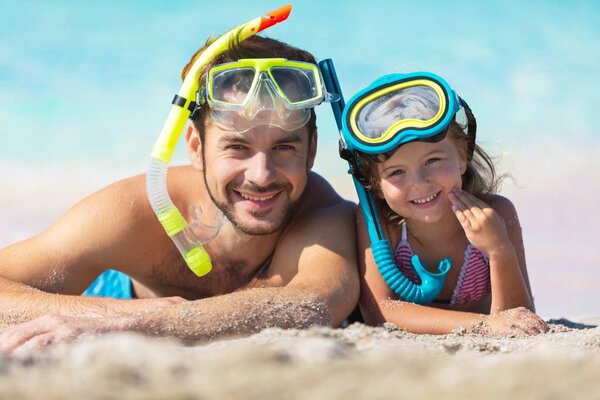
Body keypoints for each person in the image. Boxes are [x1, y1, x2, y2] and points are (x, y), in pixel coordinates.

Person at [0, 35, 359, 352]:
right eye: (237, 147)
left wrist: (138, 325)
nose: (261, 175)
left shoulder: (323, 216)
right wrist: (108, 314)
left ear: (312, 149)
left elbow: (313, 303)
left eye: (284, 148)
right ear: (195, 146)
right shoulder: (133, 212)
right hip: (110, 298)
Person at [339, 72, 547, 335]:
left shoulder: (497, 214)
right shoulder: (378, 223)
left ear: (463, 155)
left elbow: (520, 320)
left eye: (432, 161)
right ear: (376, 185)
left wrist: (498, 249)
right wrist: (483, 325)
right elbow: (379, 312)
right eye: (396, 172)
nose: (419, 182)